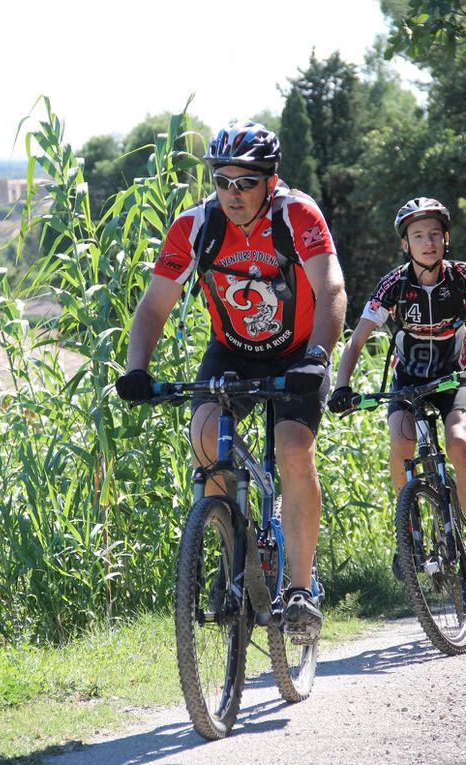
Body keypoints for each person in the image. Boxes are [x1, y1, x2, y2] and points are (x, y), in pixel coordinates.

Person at [116, 120, 346, 637]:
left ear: (270, 180)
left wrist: (319, 357)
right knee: (203, 439)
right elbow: (154, 307)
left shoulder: (296, 215)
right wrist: (136, 368)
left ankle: (302, 591)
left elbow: (331, 288)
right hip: (232, 351)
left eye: (245, 182)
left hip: (297, 355)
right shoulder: (195, 226)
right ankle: (236, 558)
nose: (232, 194)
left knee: (291, 447)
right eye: (223, 181)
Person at [329, 197, 466, 571]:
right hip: (407, 382)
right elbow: (356, 341)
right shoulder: (394, 285)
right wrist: (342, 387)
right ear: (405, 245)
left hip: (454, 378)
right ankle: (408, 533)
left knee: (459, 441)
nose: (428, 242)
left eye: (435, 234)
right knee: (402, 441)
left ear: (446, 239)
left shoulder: (461, 278)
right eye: (418, 235)